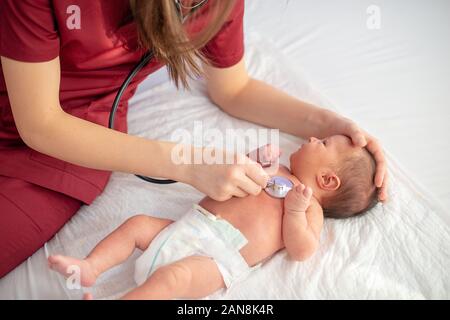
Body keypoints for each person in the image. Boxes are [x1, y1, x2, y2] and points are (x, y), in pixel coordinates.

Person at [0, 0, 388, 278]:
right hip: (40, 121)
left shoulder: (217, 6)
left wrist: (331, 124)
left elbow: (233, 90)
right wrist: (185, 162)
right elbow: (40, 123)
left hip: (74, 144)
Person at [48, 137, 378, 300]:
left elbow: (302, 249)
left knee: (172, 280)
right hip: (190, 225)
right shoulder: (278, 170)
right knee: (137, 225)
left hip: (218, 258)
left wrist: (294, 212)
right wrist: (255, 160)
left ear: (327, 180)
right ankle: (91, 267)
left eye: (323, 143)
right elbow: (231, 181)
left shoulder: (310, 208)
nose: (311, 139)